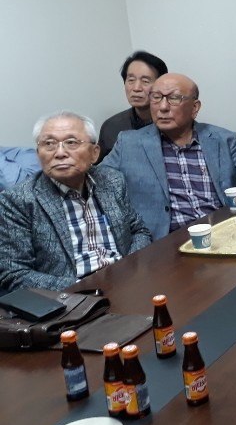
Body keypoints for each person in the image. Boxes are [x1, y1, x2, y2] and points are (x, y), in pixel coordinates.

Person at [102, 73, 236, 239]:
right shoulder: (128, 143)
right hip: (164, 242)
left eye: (174, 98)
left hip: (223, 232)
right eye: (156, 97)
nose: (163, 107)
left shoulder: (222, 139)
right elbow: (98, 181)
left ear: (195, 108)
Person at [0, 112, 151, 291]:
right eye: (49, 144)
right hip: (70, 296)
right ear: (38, 154)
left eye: (71, 142)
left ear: (94, 153)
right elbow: (14, 273)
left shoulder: (112, 180)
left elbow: (138, 230)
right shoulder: (18, 200)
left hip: (127, 281)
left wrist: (128, 268)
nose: (60, 153)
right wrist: (87, 288)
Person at [98, 50, 169, 160]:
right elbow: (101, 168)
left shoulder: (173, 123)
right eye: (131, 80)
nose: (136, 88)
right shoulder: (112, 126)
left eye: (145, 81)